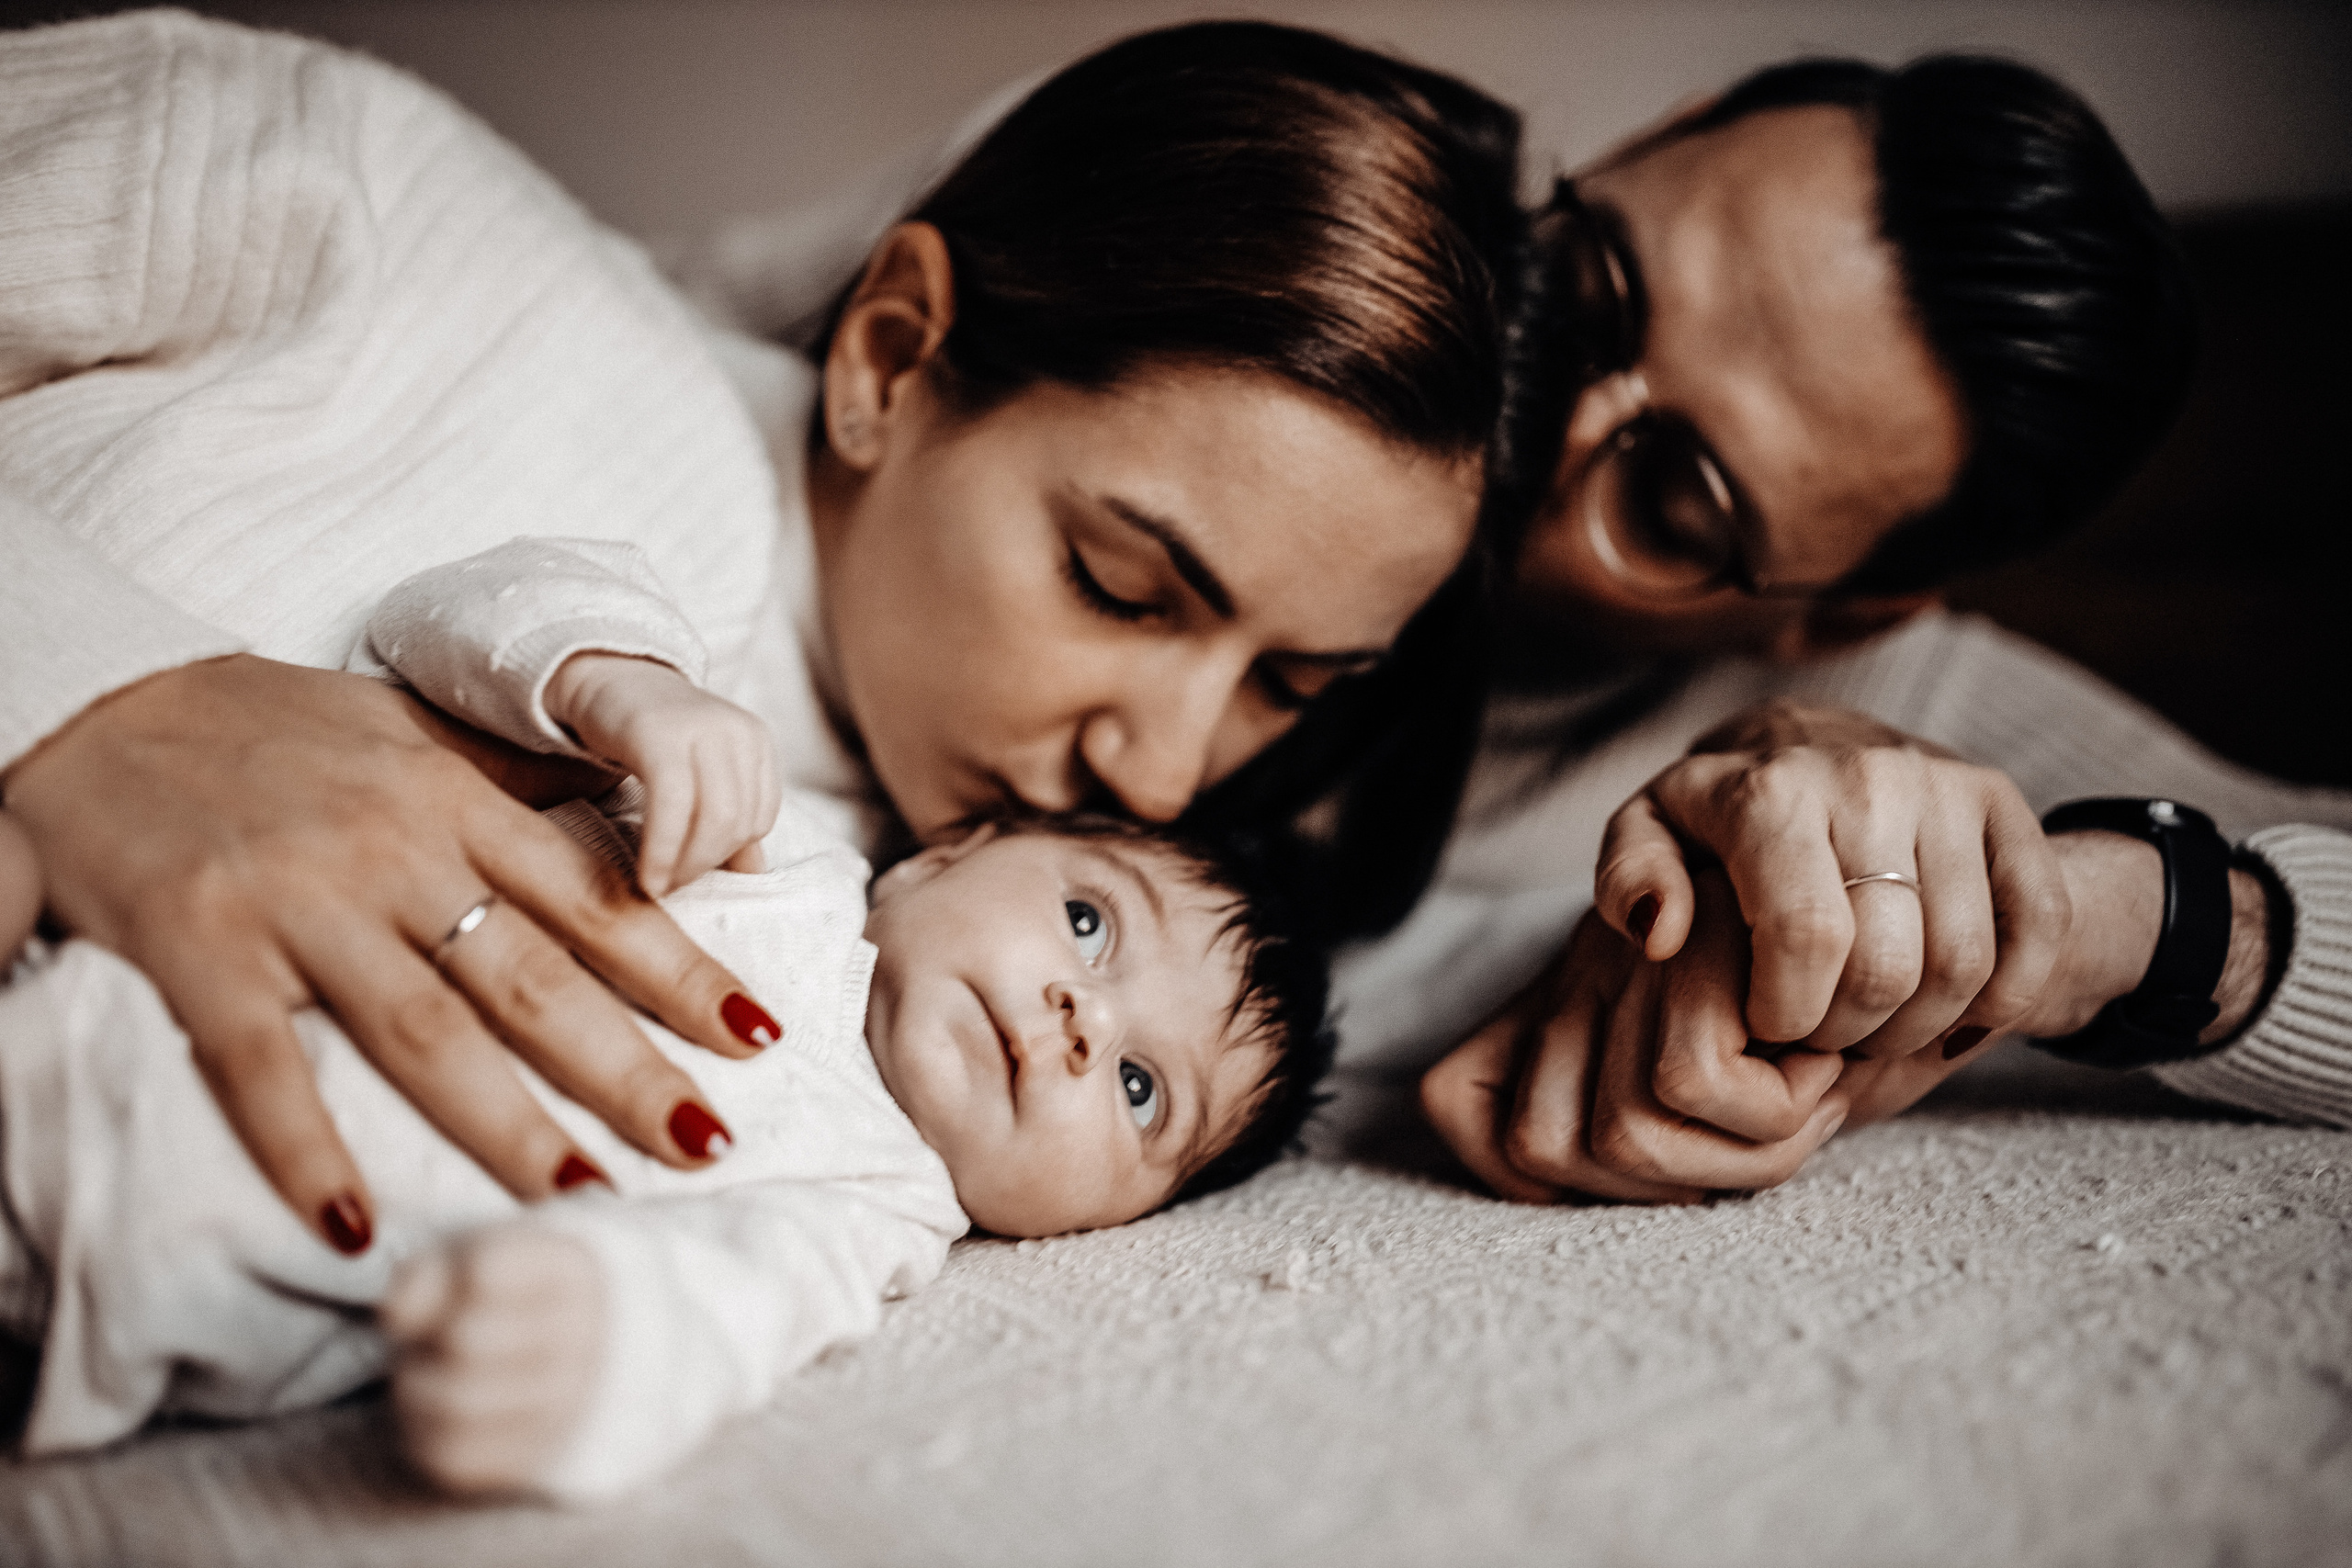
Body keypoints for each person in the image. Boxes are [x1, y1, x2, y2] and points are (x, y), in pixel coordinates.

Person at [0, 11, 1521, 1256]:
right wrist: (93, 693)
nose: (1167, 765)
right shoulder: (368, 204)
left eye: (1291, 684)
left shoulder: (969, 924)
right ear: (891, 355)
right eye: (1121, 585)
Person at [0, 540, 1333, 1498]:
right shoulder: (765, 837)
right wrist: (627, 679)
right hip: (105, 957)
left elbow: (718, 1309)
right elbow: (444, 616)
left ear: (1111, 1218)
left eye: (1144, 1089)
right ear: (947, 851)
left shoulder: (874, 1209)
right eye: (1090, 923)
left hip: (99, 1266)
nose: (1081, 1021)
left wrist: (592, 1339)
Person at [1396, 57, 2352, 1201]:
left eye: (1670, 502)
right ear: (1658, 131)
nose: (1525, 422)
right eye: (1585, 287)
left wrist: (2081, 925)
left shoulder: (1909, 707)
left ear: (1841, 616)